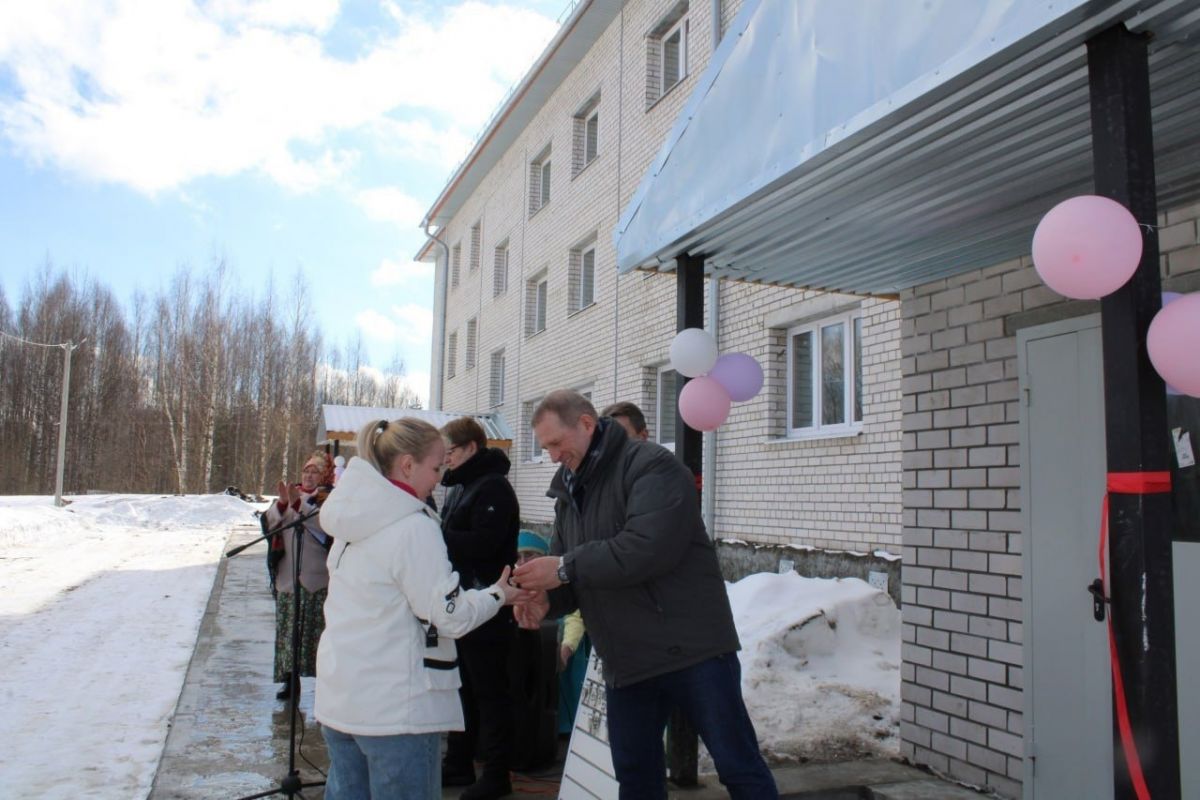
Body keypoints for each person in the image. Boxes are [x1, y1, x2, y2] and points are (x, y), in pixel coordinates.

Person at [512, 390, 778, 800]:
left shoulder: (652, 465)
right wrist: (546, 601)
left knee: (737, 766)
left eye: (555, 443)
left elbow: (645, 549)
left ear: (586, 424)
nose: (551, 456)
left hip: (692, 652)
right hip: (627, 663)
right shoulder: (568, 490)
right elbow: (571, 575)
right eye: (545, 447)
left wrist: (563, 569)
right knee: (636, 780)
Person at [315, 418, 523, 800]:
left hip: (341, 700)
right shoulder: (413, 527)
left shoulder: (352, 521)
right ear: (407, 465)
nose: (439, 479)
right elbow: (449, 615)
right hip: (397, 713)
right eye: (435, 468)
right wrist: (497, 595)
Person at [438, 417, 520, 799]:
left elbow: (485, 545)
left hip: (489, 605)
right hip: (464, 602)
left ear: (470, 448)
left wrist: (434, 534)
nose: (444, 460)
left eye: (449, 451)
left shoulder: (493, 488)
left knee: (490, 692)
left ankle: (496, 774)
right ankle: (458, 763)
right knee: (463, 688)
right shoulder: (462, 487)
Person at [264, 450, 334, 701]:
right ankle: (290, 682)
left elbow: (326, 528)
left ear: (324, 474)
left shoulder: (329, 500)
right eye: (306, 470)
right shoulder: (290, 494)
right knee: (289, 634)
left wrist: (297, 505)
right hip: (288, 578)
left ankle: (325, 684)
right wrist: (283, 504)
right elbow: (270, 523)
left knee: (315, 634)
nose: (309, 475)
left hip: (316, 579)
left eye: (315, 471)